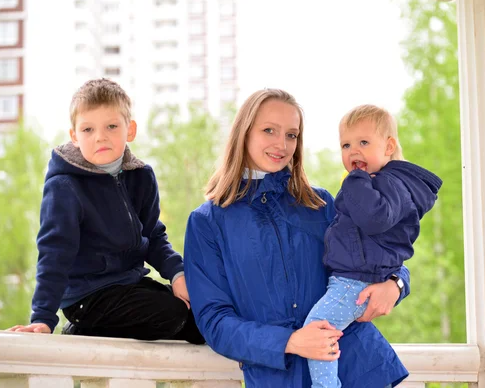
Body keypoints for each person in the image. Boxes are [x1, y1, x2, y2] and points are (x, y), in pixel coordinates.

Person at [184, 89, 410, 387]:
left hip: (360, 366)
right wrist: (290, 341)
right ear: (244, 133)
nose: (282, 144)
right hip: (278, 377)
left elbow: (385, 253)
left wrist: (396, 284)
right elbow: (215, 322)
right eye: (269, 131)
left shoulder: (322, 204)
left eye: (291, 135)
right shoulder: (208, 222)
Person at [8, 78, 204, 344]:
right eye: (88, 129)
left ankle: (180, 318)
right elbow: (54, 254)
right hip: (86, 298)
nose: (100, 136)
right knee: (172, 313)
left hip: (130, 287)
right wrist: (43, 318)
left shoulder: (141, 177)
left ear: (130, 130)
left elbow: (154, 237)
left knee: (201, 320)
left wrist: (178, 274)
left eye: (111, 126)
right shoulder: (65, 186)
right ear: (74, 136)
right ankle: (80, 329)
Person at [304, 105, 443, 387]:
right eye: (346, 144)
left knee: (317, 329)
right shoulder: (379, 186)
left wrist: (397, 284)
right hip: (354, 282)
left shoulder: (382, 185)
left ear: (389, 146)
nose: (353, 151)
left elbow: (374, 220)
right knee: (321, 329)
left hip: (354, 283)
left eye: (363, 142)